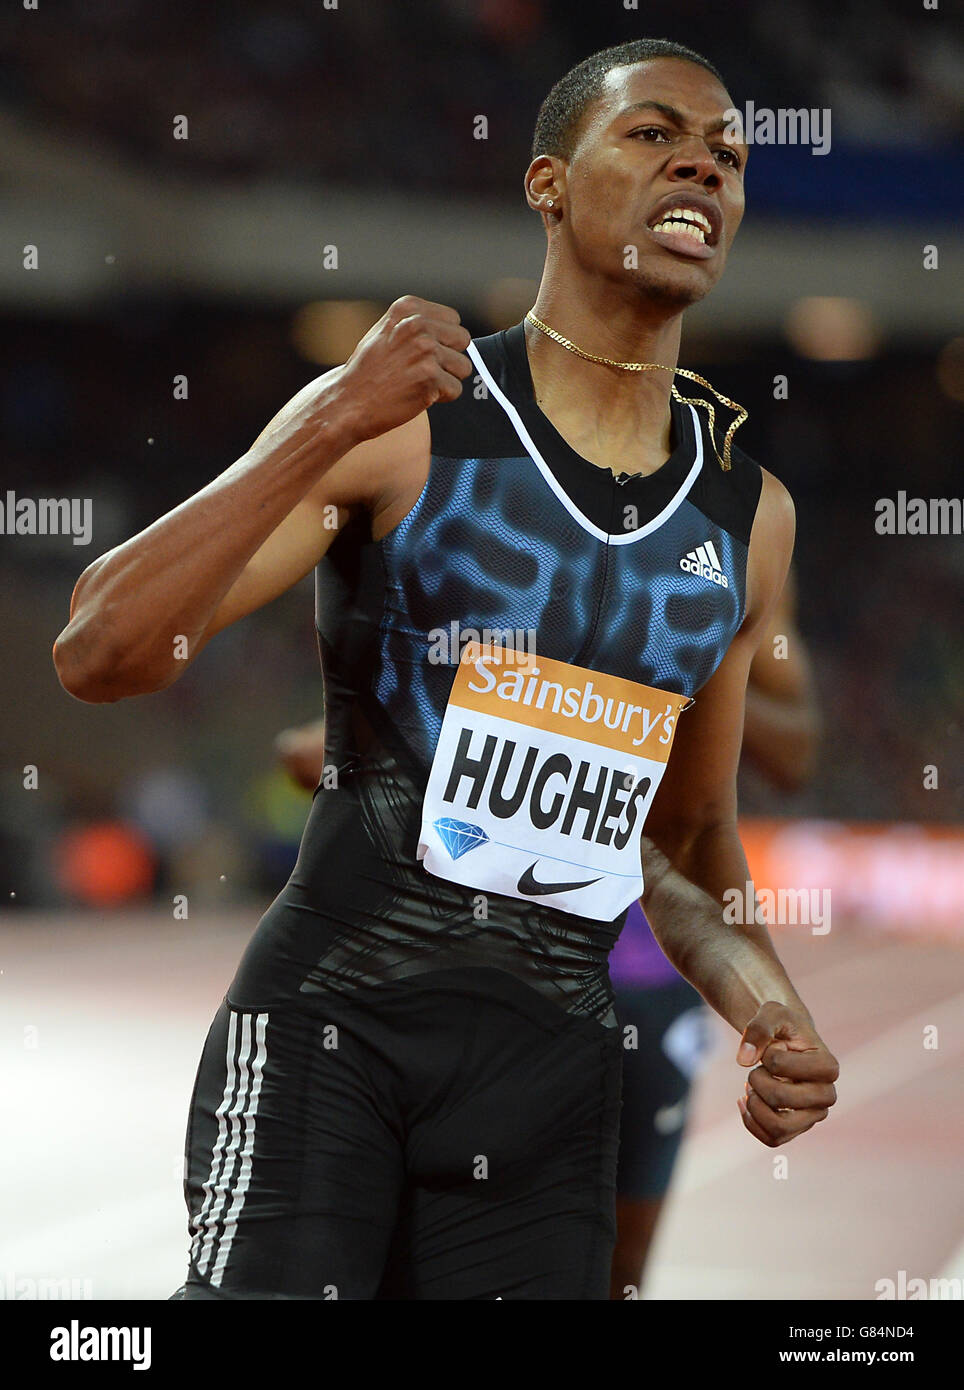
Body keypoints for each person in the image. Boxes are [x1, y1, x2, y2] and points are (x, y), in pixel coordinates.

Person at [53, 39, 838, 1300]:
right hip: (331, 1031)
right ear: (546, 183)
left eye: (729, 151)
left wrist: (765, 1003)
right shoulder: (405, 421)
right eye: (651, 133)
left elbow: (684, 844)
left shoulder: (749, 518)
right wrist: (324, 418)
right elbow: (101, 646)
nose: (704, 158)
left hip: (550, 1083)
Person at [609, 575, 820, 1298]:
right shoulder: (499, 508)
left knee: (620, 1271)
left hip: (650, 962)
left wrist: (692, 673)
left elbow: (796, 751)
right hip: (496, 947)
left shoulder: (740, 534)